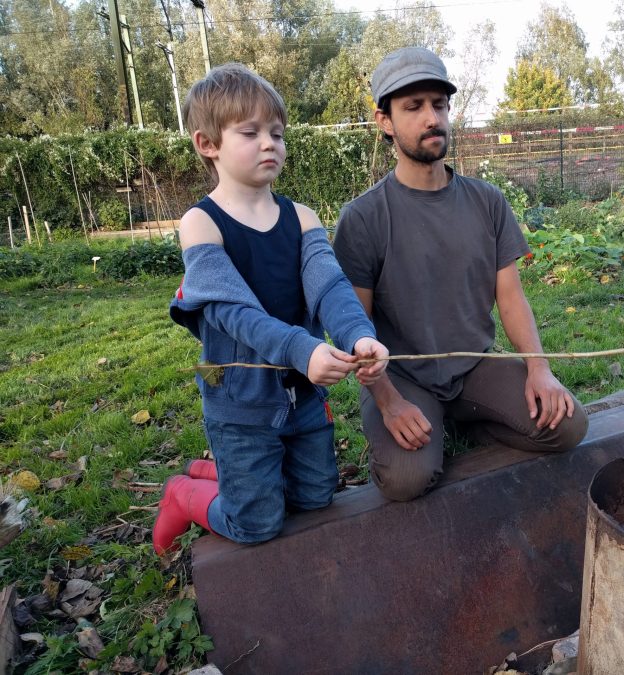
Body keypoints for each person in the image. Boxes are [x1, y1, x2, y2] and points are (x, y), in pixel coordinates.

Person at [333, 47, 588, 502]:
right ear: (384, 121)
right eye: (413, 107)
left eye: (439, 104)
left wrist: (539, 368)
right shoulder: (363, 218)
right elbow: (355, 329)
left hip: (474, 366)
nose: (432, 118)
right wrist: (389, 402)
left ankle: (471, 421)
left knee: (567, 426)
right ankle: (436, 419)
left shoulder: (487, 201)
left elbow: (511, 298)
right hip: (403, 377)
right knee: (406, 480)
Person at [153, 63, 388, 554]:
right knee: (257, 523)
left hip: (303, 398)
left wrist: (358, 335)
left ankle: (227, 474)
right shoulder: (200, 224)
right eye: (251, 132)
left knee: (315, 498)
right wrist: (303, 349)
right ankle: (186, 494)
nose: (270, 144)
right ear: (207, 143)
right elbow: (232, 314)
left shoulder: (301, 217)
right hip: (241, 406)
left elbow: (330, 288)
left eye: (277, 133)